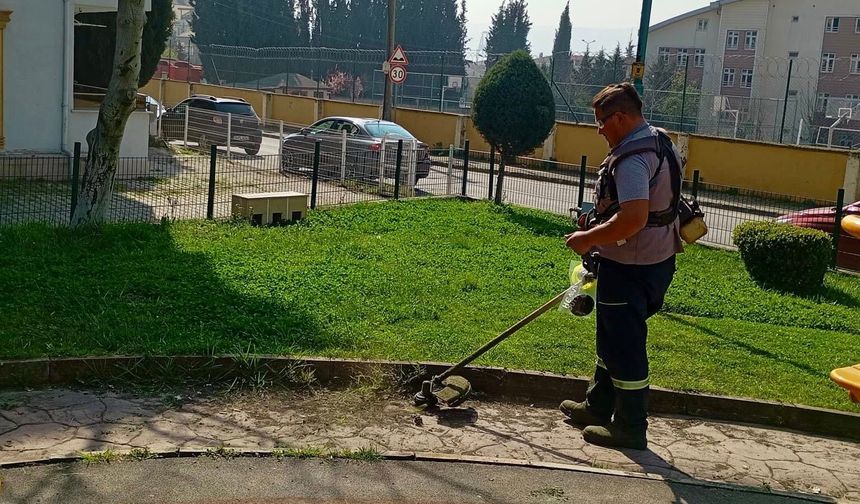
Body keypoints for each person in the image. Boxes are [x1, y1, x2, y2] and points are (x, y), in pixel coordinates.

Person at [562, 82, 683, 450]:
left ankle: (631, 428)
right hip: (654, 259)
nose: (599, 129)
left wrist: (588, 239)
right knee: (612, 337)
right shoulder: (659, 140)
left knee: (625, 346)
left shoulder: (632, 160)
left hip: (631, 265)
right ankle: (599, 405)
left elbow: (632, 219)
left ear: (620, 117)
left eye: (601, 121)